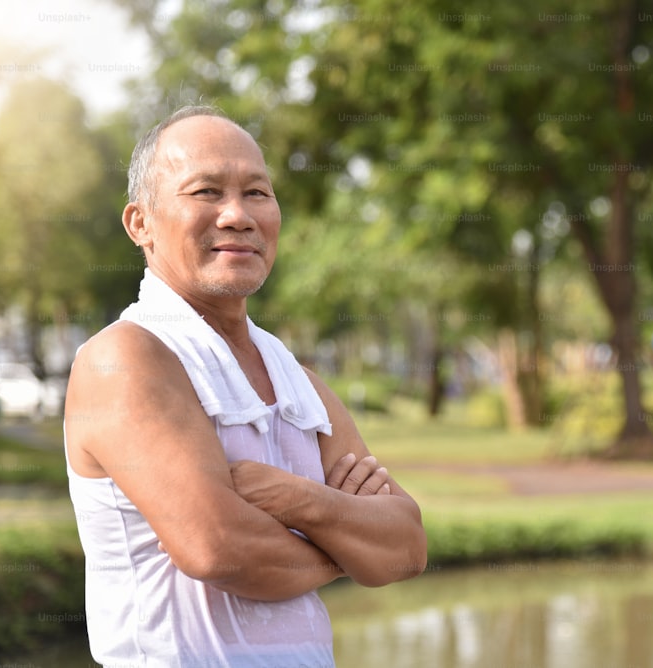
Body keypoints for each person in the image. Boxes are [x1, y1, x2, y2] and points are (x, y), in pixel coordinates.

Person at [64, 105, 427, 667]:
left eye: (257, 192)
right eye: (206, 191)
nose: (237, 215)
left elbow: (406, 547)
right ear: (141, 224)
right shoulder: (126, 357)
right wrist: (348, 543)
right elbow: (217, 549)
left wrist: (298, 499)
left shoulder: (296, 378)